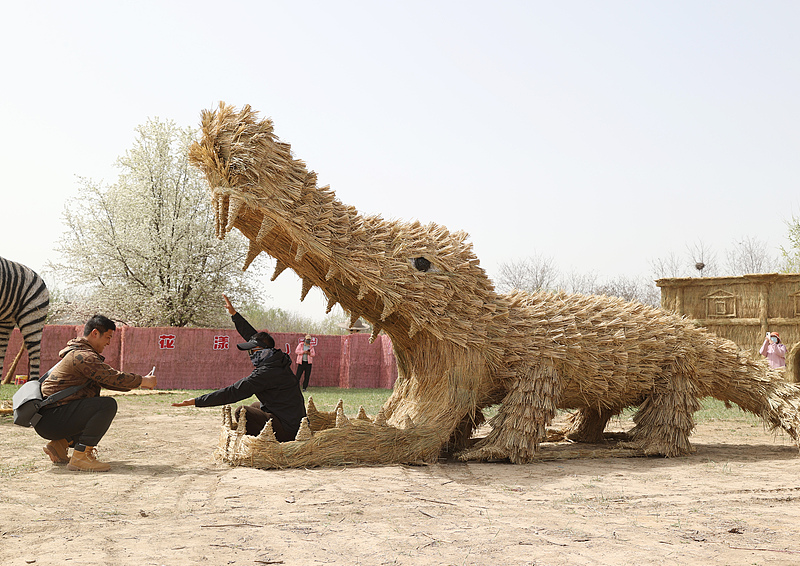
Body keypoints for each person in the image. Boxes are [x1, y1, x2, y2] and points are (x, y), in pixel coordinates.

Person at [172, 295, 306, 442]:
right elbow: (253, 338)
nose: (250, 355)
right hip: (294, 421)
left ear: (263, 351)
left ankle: (263, 444)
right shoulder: (277, 360)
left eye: (252, 351)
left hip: (289, 431)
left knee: (242, 412)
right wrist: (235, 315)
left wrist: (197, 401)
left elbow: (233, 392)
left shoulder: (266, 373)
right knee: (256, 406)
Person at [36, 314, 157, 472]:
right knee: (105, 406)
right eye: (107, 337)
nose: (108, 342)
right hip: (52, 419)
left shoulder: (78, 353)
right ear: (94, 333)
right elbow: (112, 377)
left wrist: (140, 383)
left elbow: (107, 381)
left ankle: (59, 445)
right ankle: (81, 457)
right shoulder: (83, 356)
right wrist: (143, 381)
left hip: (50, 418)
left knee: (92, 405)